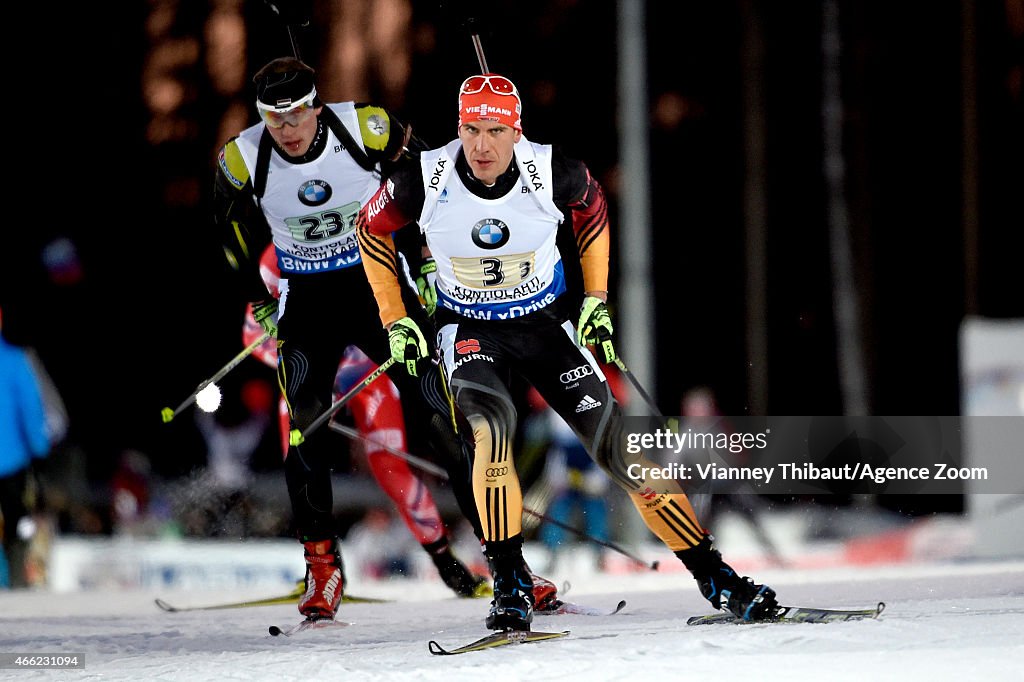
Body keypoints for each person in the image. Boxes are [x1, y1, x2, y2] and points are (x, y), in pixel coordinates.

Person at [357, 72, 780, 631]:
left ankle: (718, 578)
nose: (481, 145)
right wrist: (396, 319)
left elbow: (594, 215)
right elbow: (370, 230)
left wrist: (597, 300)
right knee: (491, 434)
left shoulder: (551, 171)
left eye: (494, 130)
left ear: (516, 131)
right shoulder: (424, 179)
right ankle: (509, 584)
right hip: (470, 329)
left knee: (623, 456)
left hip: (546, 325)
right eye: (470, 129)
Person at [213, 58, 558, 621]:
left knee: (442, 420)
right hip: (306, 295)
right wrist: (255, 293)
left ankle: (507, 565)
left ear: (316, 106)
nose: (287, 131)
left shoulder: (366, 127)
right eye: (274, 120)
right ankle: (323, 569)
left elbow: (436, 178)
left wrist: (424, 257)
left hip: (377, 289)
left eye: (297, 116)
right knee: (304, 427)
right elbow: (224, 221)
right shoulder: (241, 157)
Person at [240, 244, 489, 597]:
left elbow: (407, 305)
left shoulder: (367, 244)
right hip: (314, 375)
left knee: (390, 465)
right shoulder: (275, 258)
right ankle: (325, 569)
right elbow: (252, 334)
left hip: (367, 374)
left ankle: (446, 563)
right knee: (298, 454)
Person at [0, 306, 53, 588]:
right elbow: (31, 408)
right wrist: (39, 448)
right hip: (11, 461)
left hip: (11, 458)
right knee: (17, 521)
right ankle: (17, 579)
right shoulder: (13, 359)